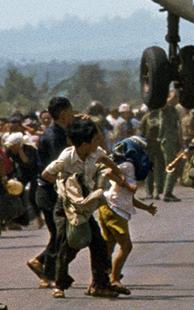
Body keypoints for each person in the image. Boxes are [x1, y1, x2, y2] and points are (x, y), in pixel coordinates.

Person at [43, 118, 131, 299]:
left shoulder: (94, 153)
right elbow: (47, 173)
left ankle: (99, 284)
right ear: (84, 144)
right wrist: (64, 188)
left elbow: (105, 158)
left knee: (97, 242)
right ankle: (58, 284)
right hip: (66, 206)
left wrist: (119, 173)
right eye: (94, 139)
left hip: (84, 204)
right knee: (65, 242)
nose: (98, 142)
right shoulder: (67, 157)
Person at [98, 141, 157, 294]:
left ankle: (102, 279)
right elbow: (109, 173)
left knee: (109, 246)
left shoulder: (128, 167)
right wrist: (125, 183)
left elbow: (129, 198)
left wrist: (147, 208)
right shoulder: (128, 166)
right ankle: (114, 279)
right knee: (126, 246)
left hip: (110, 207)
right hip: (114, 209)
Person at [27, 96, 73, 286]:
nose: (73, 114)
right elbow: (56, 168)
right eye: (71, 110)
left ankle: (43, 266)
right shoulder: (54, 137)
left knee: (60, 234)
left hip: (52, 190)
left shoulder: (59, 132)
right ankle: (46, 271)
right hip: (49, 192)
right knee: (60, 234)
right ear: (63, 113)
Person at [142, 91, 182, 201]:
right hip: (166, 141)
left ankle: (161, 190)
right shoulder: (165, 109)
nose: (176, 99)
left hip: (171, 141)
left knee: (164, 167)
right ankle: (167, 192)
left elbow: (178, 128)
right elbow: (161, 103)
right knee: (170, 166)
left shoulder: (174, 111)